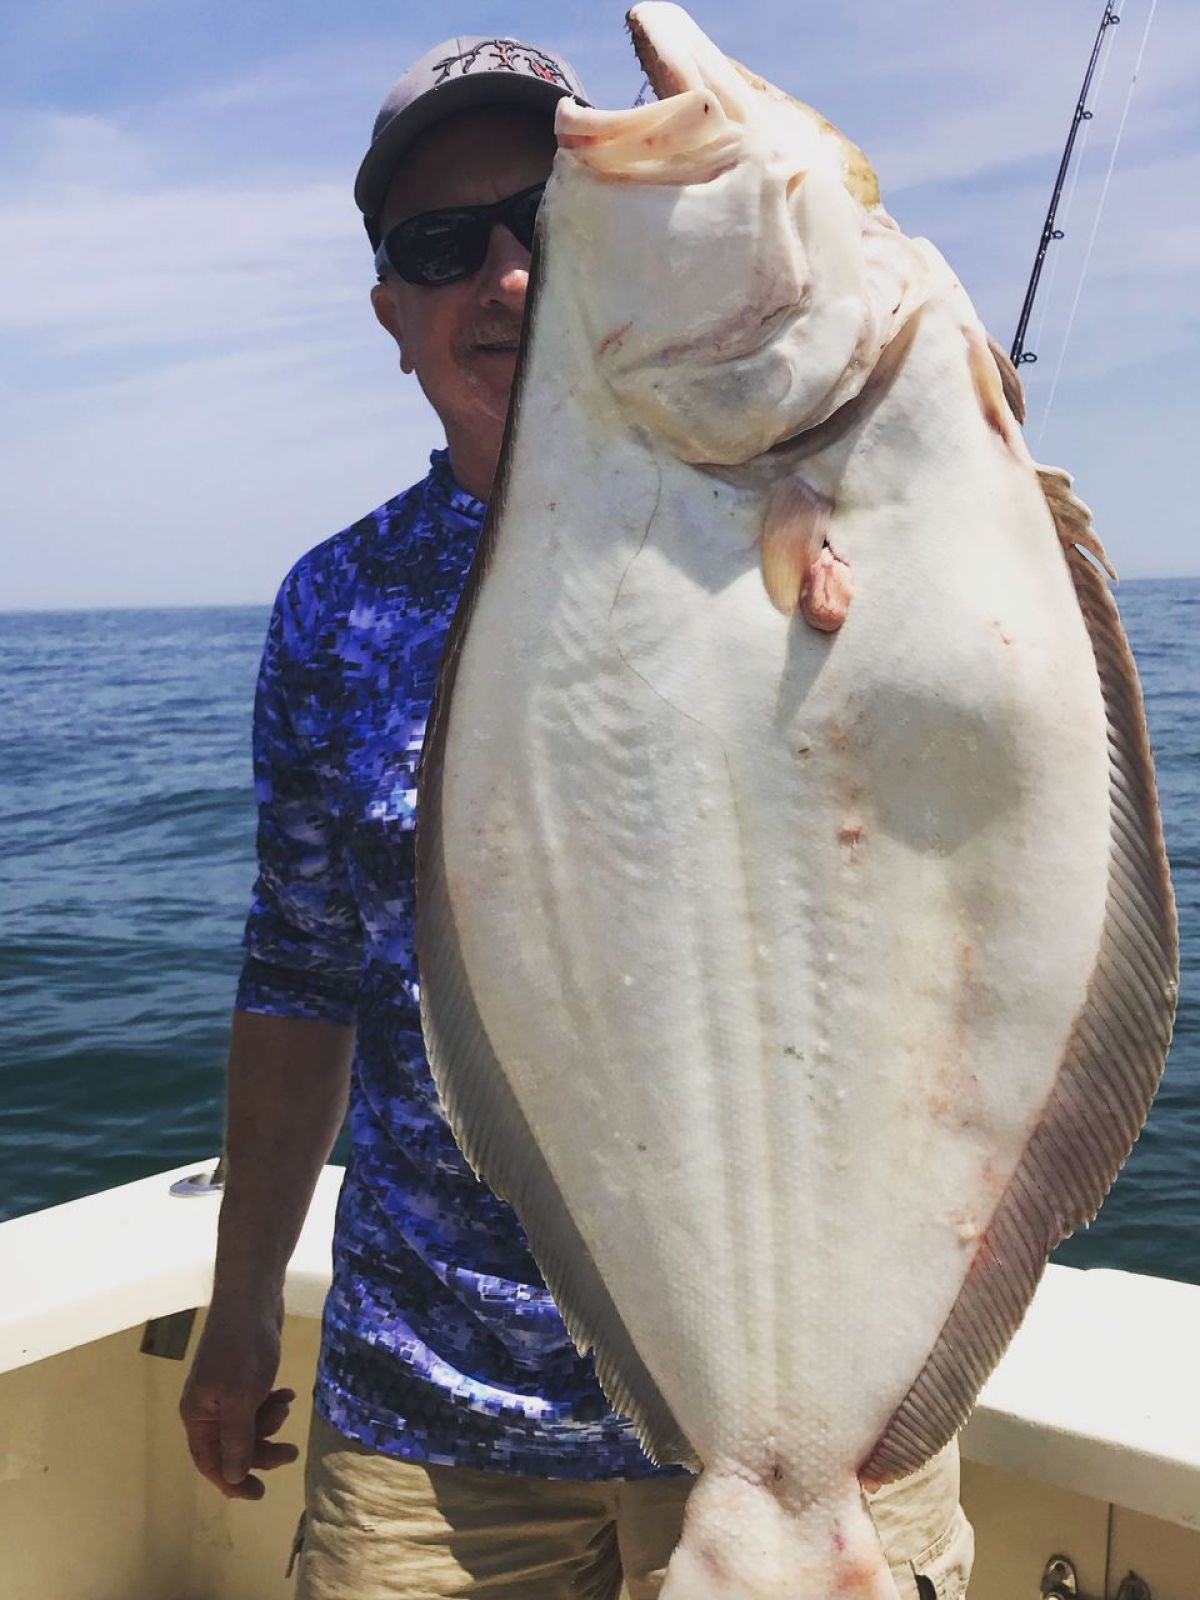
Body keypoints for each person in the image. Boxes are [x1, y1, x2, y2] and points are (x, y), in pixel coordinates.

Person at [179, 30, 975, 1600]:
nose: (506, 277)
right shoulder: (334, 610)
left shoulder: (821, 521)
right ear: (392, 314)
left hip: (829, 1394)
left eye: (548, 227)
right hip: (436, 1418)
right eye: (441, 247)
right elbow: (299, 975)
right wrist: (237, 1297)